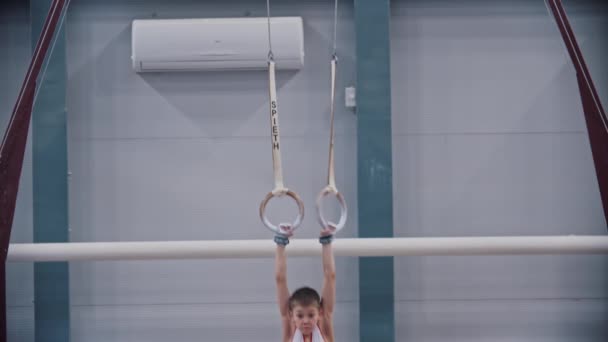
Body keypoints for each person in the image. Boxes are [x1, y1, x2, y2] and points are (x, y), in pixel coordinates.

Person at [274, 224, 336, 342]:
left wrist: (326, 240)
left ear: (320, 313)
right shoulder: (290, 332)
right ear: (292, 316)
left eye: (311, 315)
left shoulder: (323, 328)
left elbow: (330, 276)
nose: (306, 321)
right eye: (300, 316)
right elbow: (279, 279)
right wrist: (280, 241)